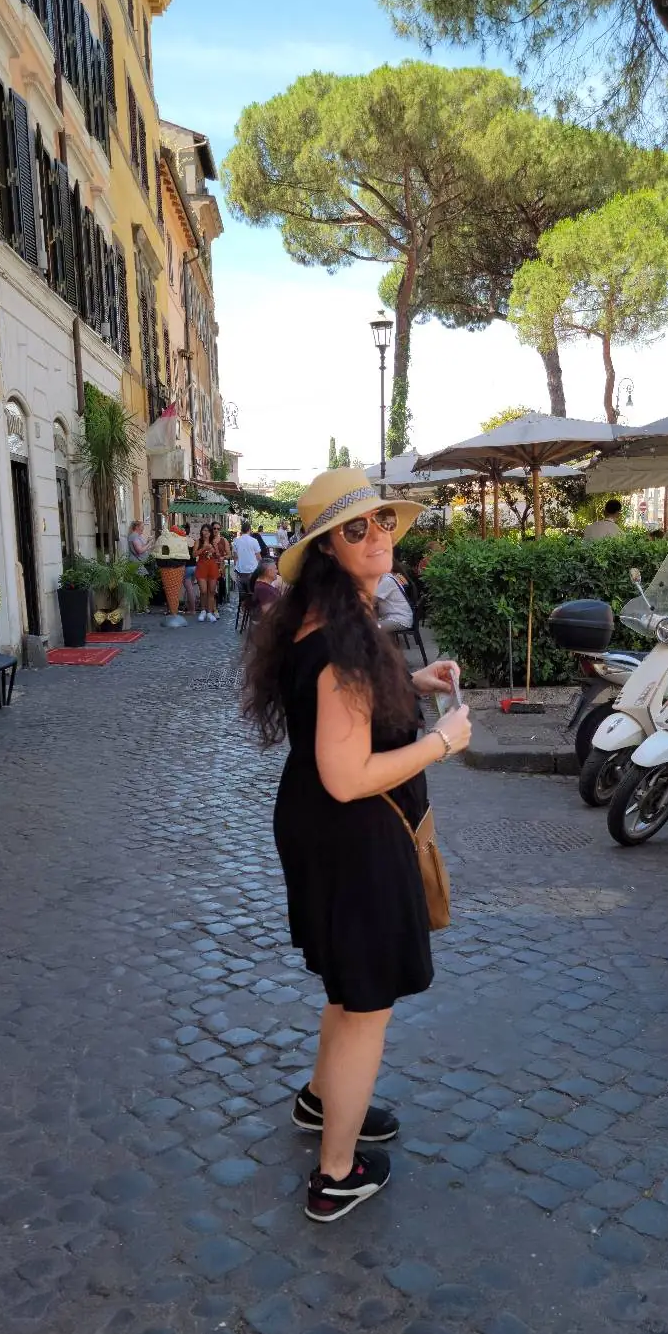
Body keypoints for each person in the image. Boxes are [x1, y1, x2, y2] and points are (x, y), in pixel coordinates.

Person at [243, 467, 472, 1222]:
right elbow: (348, 775)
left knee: (347, 988)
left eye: (381, 522)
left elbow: (354, 709)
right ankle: (336, 1174)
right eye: (355, 529)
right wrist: (440, 742)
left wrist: (415, 684)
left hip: (325, 829)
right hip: (352, 833)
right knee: (365, 1002)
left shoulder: (331, 619)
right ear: (326, 549)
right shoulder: (341, 638)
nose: (377, 536)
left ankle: (321, 1102)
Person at [375, 561, 413, 634]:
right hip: (399, 618)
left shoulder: (386, 581)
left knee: (369, 628)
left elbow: (371, 600)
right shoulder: (388, 578)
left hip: (399, 620)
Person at [193, 526, 222, 621]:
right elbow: (194, 554)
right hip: (202, 566)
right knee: (203, 590)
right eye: (204, 530)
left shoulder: (213, 542)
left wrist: (213, 551)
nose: (206, 532)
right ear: (201, 531)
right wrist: (204, 548)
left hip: (212, 566)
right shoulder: (198, 541)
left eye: (208, 531)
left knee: (211, 591)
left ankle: (209, 612)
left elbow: (218, 556)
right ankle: (203, 611)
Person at [233, 520, 262, 592]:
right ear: (249, 530)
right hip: (252, 570)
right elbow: (258, 556)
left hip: (240, 571)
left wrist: (236, 566)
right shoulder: (254, 541)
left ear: (241, 530)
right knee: (251, 593)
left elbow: (235, 557)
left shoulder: (236, 541)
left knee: (241, 594)